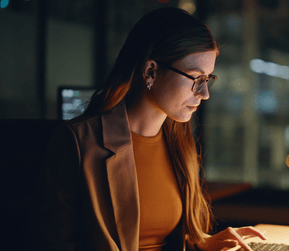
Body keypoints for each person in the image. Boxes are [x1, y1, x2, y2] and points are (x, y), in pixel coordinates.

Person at [38, 7, 267, 251]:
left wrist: (204, 243)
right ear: (150, 71)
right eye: (195, 78)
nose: (205, 94)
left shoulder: (178, 139)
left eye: (208, 79)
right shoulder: (79, 142)